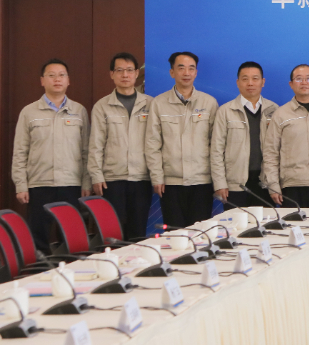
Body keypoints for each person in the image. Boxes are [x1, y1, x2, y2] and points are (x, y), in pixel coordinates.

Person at [11, 59, 90, 253]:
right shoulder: (29, 112)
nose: (57, 79)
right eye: (51, 75)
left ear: (68, 80)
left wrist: (86, 183)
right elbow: (20, 151)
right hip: (39, 184)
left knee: (72, 240)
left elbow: (87, 151)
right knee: (38, 239)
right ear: (42, 81)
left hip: (71, 184)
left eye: (62, 75)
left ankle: (70, 271)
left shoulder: (79, 111)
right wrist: (21, 184)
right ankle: (41, 270)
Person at [146, 52, 220, 229]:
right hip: (170, 183)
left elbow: (216, 145)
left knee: (200, 233)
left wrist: (217, 180)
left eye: (191, 68)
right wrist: (157, 177)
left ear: (196, 72)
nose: (186, 73)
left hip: (202, 181)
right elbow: (152, 144)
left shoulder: (209, 103)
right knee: (175, 233)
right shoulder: (159, 103)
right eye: (181, 68)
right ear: (172, 72)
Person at [87, 52, 152, 240]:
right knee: (113, 234)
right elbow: (96, 144)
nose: (125, 75)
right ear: (111, 74)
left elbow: (156, 142)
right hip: (112, 179)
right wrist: (96, 175)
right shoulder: (102, 106)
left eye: (130, 70)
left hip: (142, 178)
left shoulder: (150, 104)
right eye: (120, 70)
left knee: (138, 233)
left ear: (136, 73)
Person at [262, 64, 309, 209]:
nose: (304, 82)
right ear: (291, 84)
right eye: (299, 79)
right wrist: (273, 184)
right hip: (291, 185)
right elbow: (270, 152)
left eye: (308, 78)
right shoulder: (281, 114)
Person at [211, 62, 279, 210]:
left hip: (265, 183)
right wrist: (220, 183)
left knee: (265, 223)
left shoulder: (274, 110)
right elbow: (216, 150)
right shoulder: (225, 111)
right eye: (245, 79)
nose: (250, 83)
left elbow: (280, 149)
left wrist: (275, 183)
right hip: (235, 185)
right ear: (238, 82)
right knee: (236, 223)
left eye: (255, 78)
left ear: (263, 82)